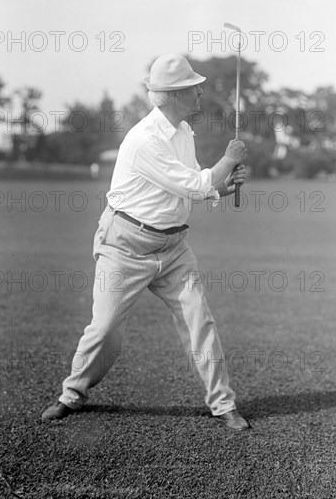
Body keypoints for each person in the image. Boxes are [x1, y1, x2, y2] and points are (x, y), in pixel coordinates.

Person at [42, 54, 250, 431]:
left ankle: (223, 405)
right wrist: (228, 160)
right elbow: (195, 184)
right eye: (193, 88)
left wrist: (224, 184)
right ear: (172, 95)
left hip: (173, 249)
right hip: (124, 246)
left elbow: (190, 187)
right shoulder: (143, 141)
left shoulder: (184, 131)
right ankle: (71, 395)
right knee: (104, 330)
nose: (201, 92)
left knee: (199, 319)